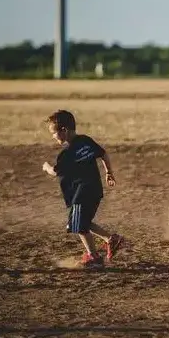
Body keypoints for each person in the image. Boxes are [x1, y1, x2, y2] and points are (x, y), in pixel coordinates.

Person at [42, 110, 124, 268]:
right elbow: (103, 154)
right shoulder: (85, 141)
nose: (53, 137)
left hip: (81, 193)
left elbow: (55, 172)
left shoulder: (66, 154)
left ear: (64, 130)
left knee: (78, 225)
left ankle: (93, 257)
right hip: (94, 191)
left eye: (53, 133)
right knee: (82, 222)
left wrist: (46, 167)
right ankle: (110, 240)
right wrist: (109, 173)